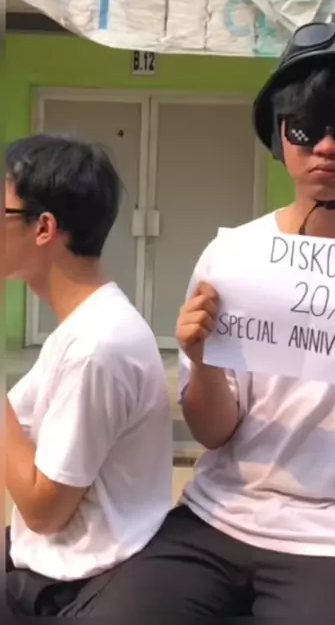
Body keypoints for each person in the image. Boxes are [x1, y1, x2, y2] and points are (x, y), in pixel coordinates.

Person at [68, 23, 335, 621]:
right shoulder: (233, 257)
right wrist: (203, 362)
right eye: (306, 129)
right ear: (280, 135)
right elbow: (213, 433)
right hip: (218, 515)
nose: (327, 148)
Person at [3, 134, 172, 616]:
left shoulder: (96, 347)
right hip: (55, 561)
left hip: (70, 582)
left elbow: (43, 511)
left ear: (44, 228)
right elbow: (18, 422)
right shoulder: (84, 326)